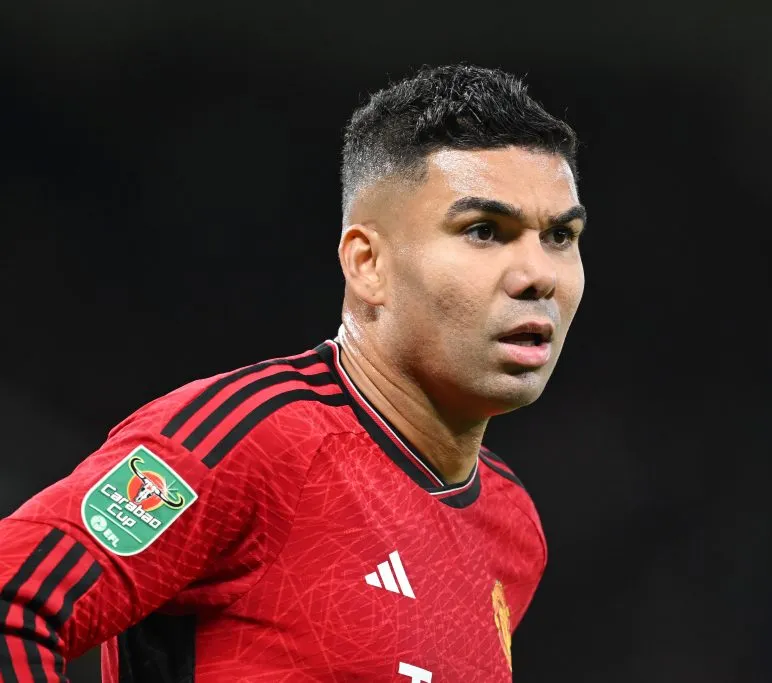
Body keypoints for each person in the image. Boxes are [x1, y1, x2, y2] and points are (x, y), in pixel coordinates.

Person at [0, 63, 586, 682]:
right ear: (368, 264)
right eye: (484, 231)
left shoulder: (511, 522)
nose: (538, 274)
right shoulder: (251, 441)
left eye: (559, 235)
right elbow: (13, 602)